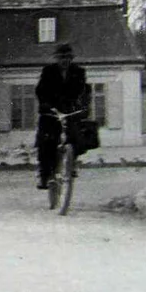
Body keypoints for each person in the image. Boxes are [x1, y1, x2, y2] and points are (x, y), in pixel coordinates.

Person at [34, 43, 88, 189]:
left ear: (71, 58)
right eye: (61, 57)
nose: (64, 61)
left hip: (69, 110)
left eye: (67, 57)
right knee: (46, 142)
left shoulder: (79, 72)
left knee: (77, 136)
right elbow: (40, 91)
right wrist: (46, 105)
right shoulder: (48, 71)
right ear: (57, 58)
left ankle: (73, 162)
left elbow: (84, 91)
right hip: (51, 111)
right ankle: (44, 175)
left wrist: (83, 106)